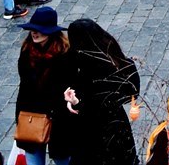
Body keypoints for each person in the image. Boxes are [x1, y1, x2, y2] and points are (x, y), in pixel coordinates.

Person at [59, 20, 140, 165]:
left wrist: (75, 103)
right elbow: (131, 92)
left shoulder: (81, 66)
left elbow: (92, 108)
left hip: (92, 137)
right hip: (117, 129)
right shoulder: (113, 61)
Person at [13, 7, 70, 165]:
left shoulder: (64, 55)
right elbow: (24, 86)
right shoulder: (26, 52)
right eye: (32, 29)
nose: (34, 33)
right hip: (32, 116)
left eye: (39, 30)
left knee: (62, 159)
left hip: (60, 120)